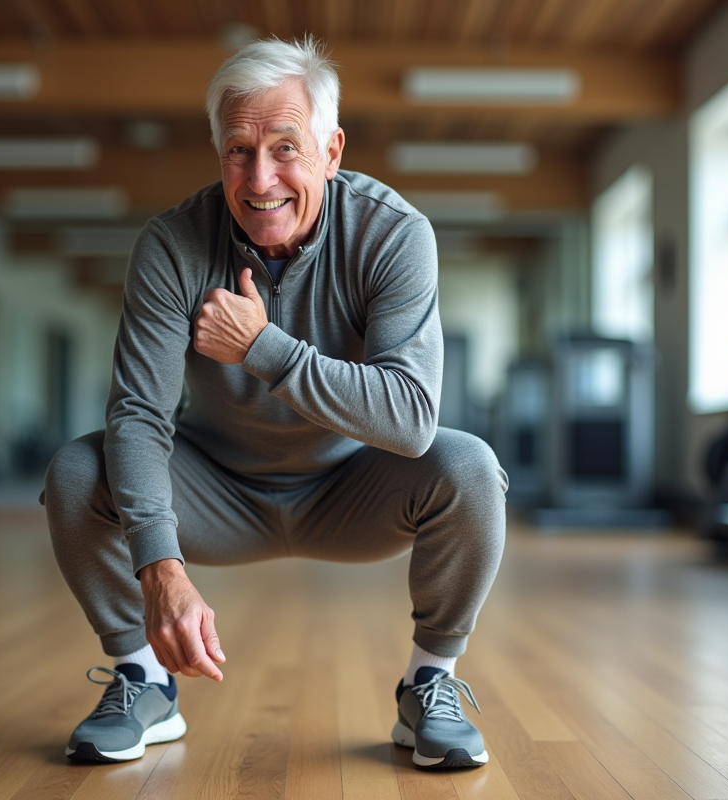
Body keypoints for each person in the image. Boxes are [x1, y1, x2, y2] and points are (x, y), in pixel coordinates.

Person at [42, 35, 507, 771]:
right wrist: (161, 569)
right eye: (238, 151)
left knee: (470, 467)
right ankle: (144, 679)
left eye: (286, 148)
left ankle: (430, 683)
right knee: (76, 470)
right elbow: (138, 415)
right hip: (218, 490)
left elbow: (412, 418)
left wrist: (263, 349)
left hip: (354, 488)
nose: (260, 178)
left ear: (332, 150)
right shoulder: (172, 245)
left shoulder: (394, 235)